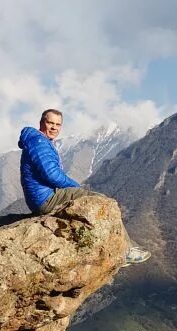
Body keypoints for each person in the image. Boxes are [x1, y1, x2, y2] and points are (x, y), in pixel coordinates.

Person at [18, 108, 151, 264]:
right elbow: (51, 174)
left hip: (41, 197)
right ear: (42, 123)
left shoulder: (38, 141)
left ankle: (124, 247)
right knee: (102, 201)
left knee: (97, 201)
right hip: (45, 199)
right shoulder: (39, 143)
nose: (54, 127)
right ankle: (125, 252)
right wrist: (76, 188)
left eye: (58, 124)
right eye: (50, 123)